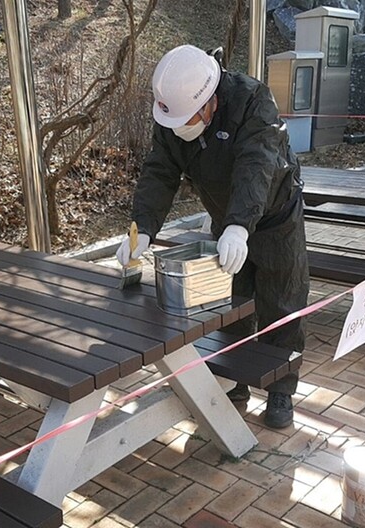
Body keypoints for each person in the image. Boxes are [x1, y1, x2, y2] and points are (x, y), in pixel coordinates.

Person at [116, 44, 309, 429]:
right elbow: (159, 172)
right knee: (230, 304)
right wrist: (143, 229)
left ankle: (280, 389)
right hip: (226, 219)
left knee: (281, 301)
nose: (181, 129)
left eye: (189, 119)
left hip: (275, 217)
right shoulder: (174, 113)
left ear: (211, 102)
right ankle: (230, 380)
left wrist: (240, 226)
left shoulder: (252, 101)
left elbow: (257, 165)